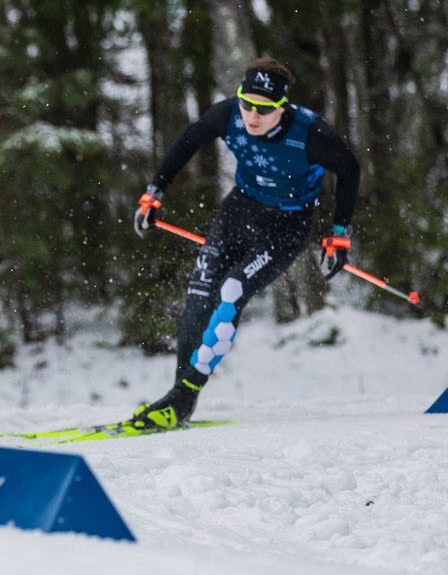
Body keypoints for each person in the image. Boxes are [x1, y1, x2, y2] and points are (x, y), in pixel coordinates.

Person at [129, 58, 359, 430]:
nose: (252, 115)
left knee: (232, 289)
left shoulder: (312, 133)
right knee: (200, 290)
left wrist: (339, 232)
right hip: (240, 208)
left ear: (281, 107)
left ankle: (183, 397)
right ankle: (178, 400)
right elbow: (188, 140)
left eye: (264, 108)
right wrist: (154, 191)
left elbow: (350, 169)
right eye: (247, 103)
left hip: (288, 221)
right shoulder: (228, 115)